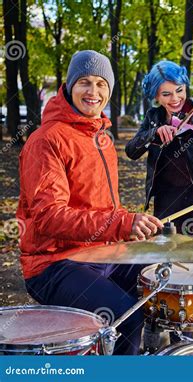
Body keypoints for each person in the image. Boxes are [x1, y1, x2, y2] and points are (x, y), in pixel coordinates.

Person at [17, 50, 163, 355]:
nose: (93, 92)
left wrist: (131, 221)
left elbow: (104, 208)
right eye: (84, 82)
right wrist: (121, 224)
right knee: (126, 317)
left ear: (109, 91)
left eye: (100, 84)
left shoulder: (101, 137)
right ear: (70, 86)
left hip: (100, 252)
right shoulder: (47, 140)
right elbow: (49, 218)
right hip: (53, 263)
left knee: (163, 283)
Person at [125, 60, 193, 238]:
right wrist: (154, 133)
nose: (175, 99)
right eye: (166, 94)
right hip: (166, 202)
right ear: (156, 97)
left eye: (179, 90)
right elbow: (131, 151)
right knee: (169, 259)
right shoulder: (154, 117)